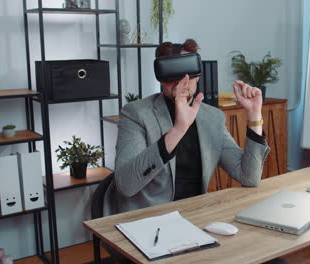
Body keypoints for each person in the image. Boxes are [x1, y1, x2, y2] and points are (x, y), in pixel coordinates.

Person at [112, 39, 270, 213]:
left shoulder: (212, 117)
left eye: (188, 72)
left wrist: (254, 115)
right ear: (160, 76)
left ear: (198, 75)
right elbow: (126, 184)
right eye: (172, 72)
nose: (182, 81)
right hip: (149, 217)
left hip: (195, 214)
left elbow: (249, 176)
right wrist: (178, 130)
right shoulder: (136, 114)